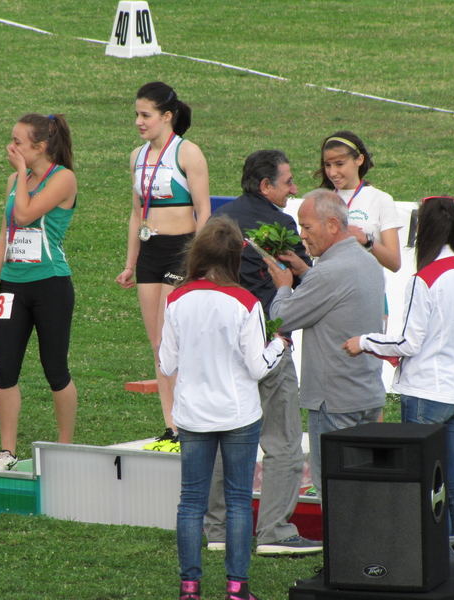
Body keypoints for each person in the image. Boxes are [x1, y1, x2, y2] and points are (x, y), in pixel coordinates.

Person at [342, 196, 454, 537]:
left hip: (425, 395)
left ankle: (429, 562)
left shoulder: (425, 278)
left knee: (422, 485)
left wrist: (363, 342)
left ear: (426, 232)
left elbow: (408, 342)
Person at [159, 216, 285, 600]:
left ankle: (190, 586)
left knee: (191, 502)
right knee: (238, 501)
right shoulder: (247, 302)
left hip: (193, 415)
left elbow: (166, 364)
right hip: (238, 415)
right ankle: (236, 587)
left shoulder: (177, 298)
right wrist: (280, 345)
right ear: (235, 258)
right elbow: (257, 367)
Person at [206, 150, 322, 556]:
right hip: (270, 343)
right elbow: (302, 280)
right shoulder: (282, 224)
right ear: (265, 186)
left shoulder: (217, 222)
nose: (294, 188)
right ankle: (274, 529)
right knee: (284, 439)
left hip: (222, 345)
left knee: (222, 435)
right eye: (287, 182)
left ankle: (216, 529)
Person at [265, 189, 385, 501]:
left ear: (332, 225)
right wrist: (307, 274)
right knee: (364, 488)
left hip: (333, 401)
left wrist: (283, 287)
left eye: (307, 227)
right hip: (366, 394)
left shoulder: (329, 272)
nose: (302, 236)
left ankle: (343, 548)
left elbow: (281, 320)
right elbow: (334, 300)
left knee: (334, 490)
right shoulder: (367, 262)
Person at [115, 82, 211, 452]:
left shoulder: (188, 153)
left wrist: (198, 260)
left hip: (182, 250)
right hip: (150, 251)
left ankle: (189, 420)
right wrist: (130, 263)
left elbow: (203, 211)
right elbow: (137, 212)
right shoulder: (136, 155)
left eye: (145, 115)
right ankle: (171, 426)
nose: (139, 122)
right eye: (136, 114)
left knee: (174, 337)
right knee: (157, 343)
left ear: (167, 117)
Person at [0, 113, 78, 470]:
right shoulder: (13, 179)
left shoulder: (63, 179)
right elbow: (7, 232)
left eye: (18, 142)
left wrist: (22, 174)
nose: (11, 147)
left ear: (40, 147)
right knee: (5, 368)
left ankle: (66, 448)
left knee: (55, 368)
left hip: (50, 285)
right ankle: (6, 451)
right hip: (12, 286)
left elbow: (24, 215)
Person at [315, 131, 402, 273]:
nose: (332, 172)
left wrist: (367, 240)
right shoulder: (321, 201)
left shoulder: (381, 200)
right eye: (328, 165)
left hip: (367, 291)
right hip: (330, 290)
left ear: (359, 160)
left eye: (339, 164)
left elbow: (394, 263)